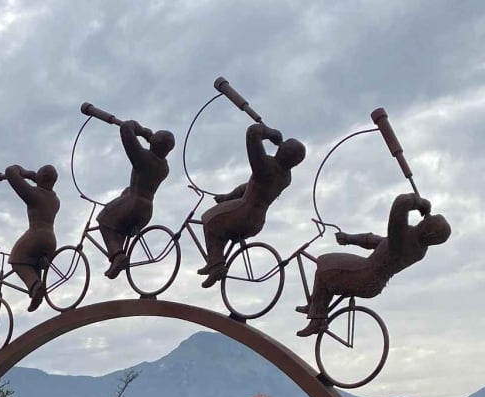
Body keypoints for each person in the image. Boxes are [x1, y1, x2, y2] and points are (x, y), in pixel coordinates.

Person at [295, 192, 450, 336]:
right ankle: (315, 305)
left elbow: (401, 203)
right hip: (371, 278)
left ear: (428, 232)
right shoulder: (415, 247)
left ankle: (318, 320)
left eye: (429, 220)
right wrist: (350, 239)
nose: (426, 218)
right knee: (329, 266)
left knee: (325, 268)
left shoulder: (406, 241)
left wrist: (421, 203)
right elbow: (378, 242)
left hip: (365, 276)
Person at [196, 123, 306, 287]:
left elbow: (253, 133)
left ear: (282, 150)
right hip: (257, 221)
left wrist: (270, 133)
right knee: (223, 226)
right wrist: (228, 197)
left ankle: (217, 266)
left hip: (243, 212)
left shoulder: (266, 166)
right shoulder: (286, 177)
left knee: (209, 219)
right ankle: (214, 260)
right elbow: (250, 187)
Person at [97, 120, 174, 279]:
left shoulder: (144, 158)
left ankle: (117, 256)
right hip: (146, 210)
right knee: (120, 220)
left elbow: (126, 127)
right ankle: (119, 256)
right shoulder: (164, 168)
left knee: (104, 218)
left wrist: (143, 131)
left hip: (133, 205)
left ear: (155, 142)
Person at [3, 164, 61, 312]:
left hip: (36, 235)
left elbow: (10, 171)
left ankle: (35, 286)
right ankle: (37, 292)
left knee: (16, 259)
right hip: (51, 239)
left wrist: (27, 173)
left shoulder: (34, 195)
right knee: (32, 261)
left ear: (40, 177)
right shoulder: (55, 200)